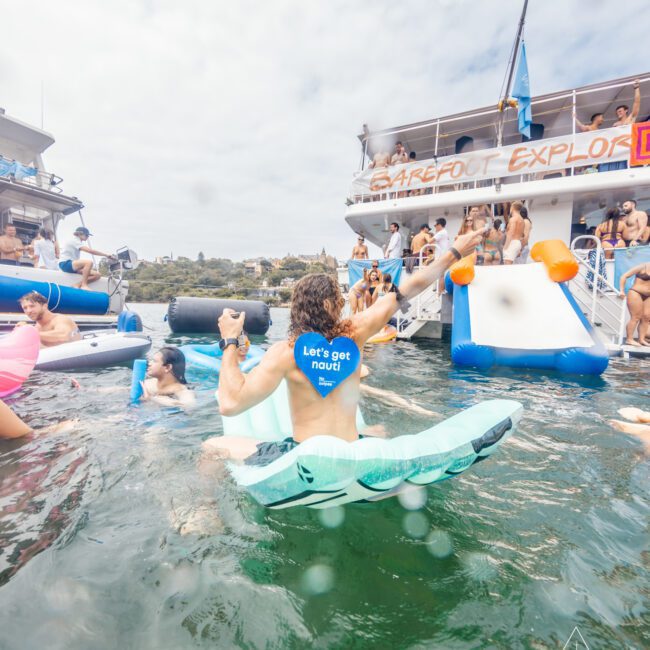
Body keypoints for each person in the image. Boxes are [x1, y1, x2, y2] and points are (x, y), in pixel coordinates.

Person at [202, 229, 483, 463]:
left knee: (212, 446)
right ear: (333, 305)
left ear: (297, 307)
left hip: (307, 458)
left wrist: (229, 340)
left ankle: (203, 514)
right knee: (378, 431)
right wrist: (454, 252)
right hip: (350, 451)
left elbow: (230, 405)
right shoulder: (356, 332)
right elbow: (413, 285)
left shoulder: (286, 352)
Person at [617, 262, 650, 346]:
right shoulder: (643, 266)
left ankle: (641, 339)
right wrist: (622, 290)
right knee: (636, 317)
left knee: (646, 317)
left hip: (648, 296)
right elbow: (624, 276)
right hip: (636, 292)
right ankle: (629, 339)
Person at [502, 201, 526, 265]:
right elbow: (522, 236)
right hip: (518, 242)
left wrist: (505, 247)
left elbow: (511, 233)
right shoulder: (522, 220)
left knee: (507, 266)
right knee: (512, 266)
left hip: (512, 242)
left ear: (512, 208)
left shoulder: (513, 219)